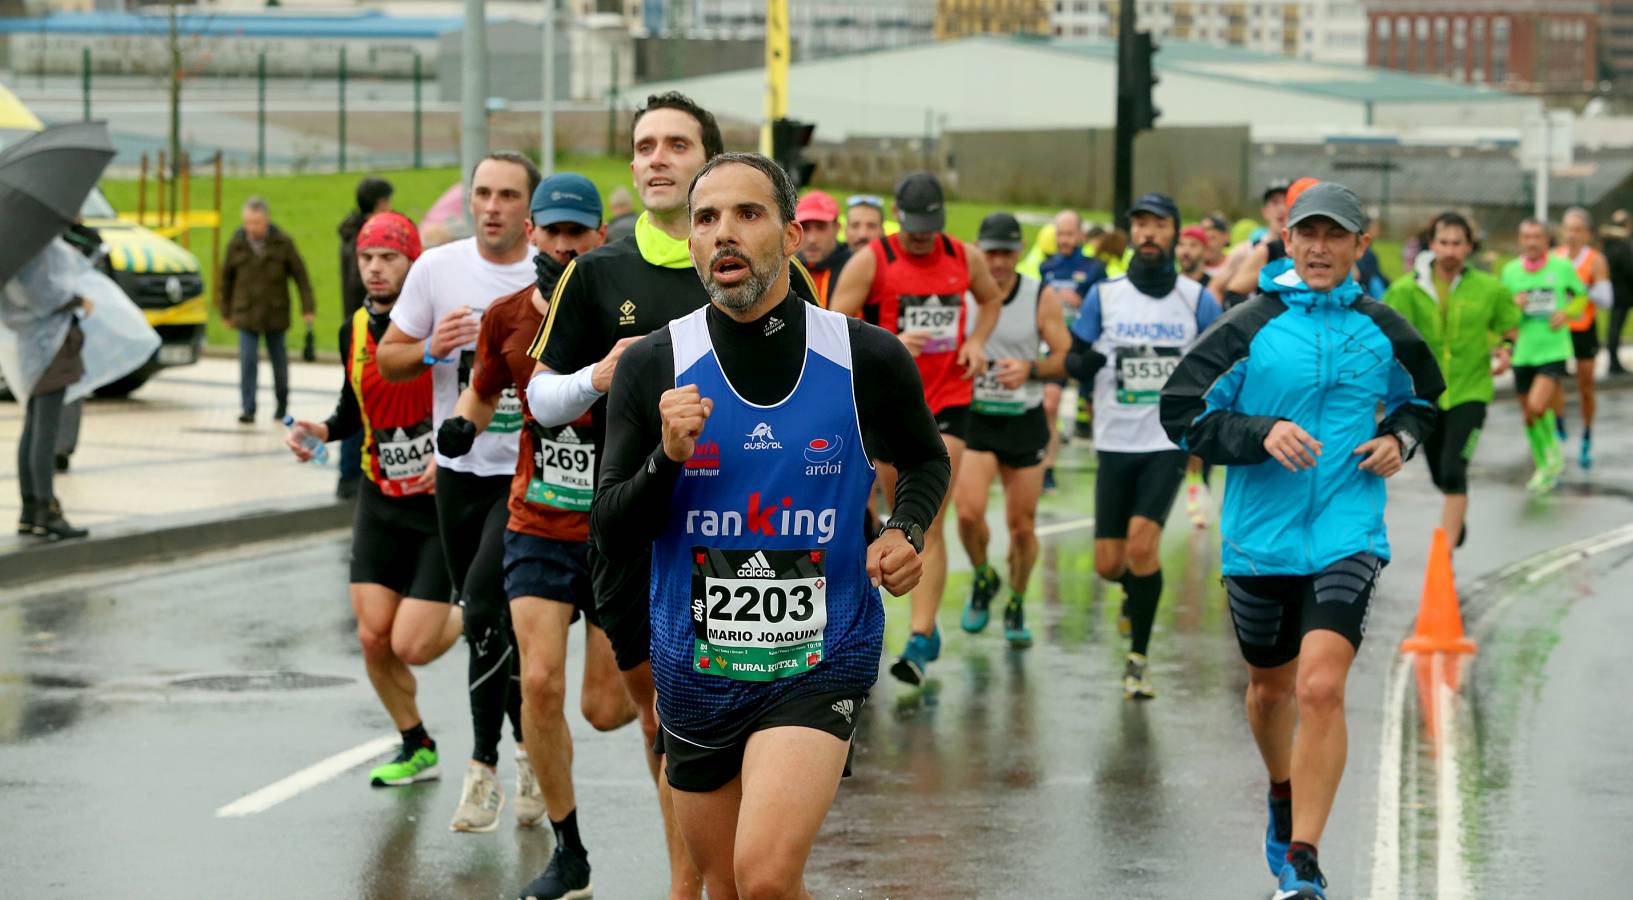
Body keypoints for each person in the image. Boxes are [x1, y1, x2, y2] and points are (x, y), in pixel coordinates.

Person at [594, 150, 950, 900]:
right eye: (706, 219)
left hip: (822, 656)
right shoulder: (653, 366)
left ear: (791, 235)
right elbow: (611, 525)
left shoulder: (865, 357)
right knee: (721, 887)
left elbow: (924, 462)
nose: (724, 233)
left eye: (747, 214)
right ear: (689, 244)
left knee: (763, 877)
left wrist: (903, 530)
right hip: (694, 669)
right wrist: (666, 456)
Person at [526, 92, 819, 899]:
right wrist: (599, 376)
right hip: (637, 528)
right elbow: (538, 399)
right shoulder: (597, 272)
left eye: (675, 144)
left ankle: (693, 887)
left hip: (747, 535)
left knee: (706, 730)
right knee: (660, 726)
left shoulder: (770, 267)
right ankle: (698, 878)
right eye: (643, 145)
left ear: (710, 165)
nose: (656, 157)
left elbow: (820, 393)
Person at [1161, 181, 1442, 900]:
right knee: (1268, 690)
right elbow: (1181, 411)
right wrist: (1260, 433)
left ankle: (1304, 857)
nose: (1318, 247)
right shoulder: (1246, 325)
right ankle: (1281, 789)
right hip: (1259, 537)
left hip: (1348, 528)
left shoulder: (1383, 327)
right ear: (1286, 241)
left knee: (1319, 687)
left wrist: (1398, 438)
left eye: (1334, 236)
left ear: (1358, 244)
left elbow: (1426, 400)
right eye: (1305, 234)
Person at [440, 172, 636, 900]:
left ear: (597, 239)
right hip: (538, 523)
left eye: (574, 234)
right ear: (533, 235)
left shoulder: (624, 317)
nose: (560, 245)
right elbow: (486, 386)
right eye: (550, 232)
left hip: (614, 530)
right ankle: (569, 851)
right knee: (542, 681)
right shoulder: (504, 317)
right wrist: (465, 419)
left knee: (604, 708)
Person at [377, 151, 542, 834]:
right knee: (488, 625)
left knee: (481, 609)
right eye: (482, 193)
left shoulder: (547, 274)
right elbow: (389, 357)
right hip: (459, 475)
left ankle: (485, 769)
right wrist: (432, 349)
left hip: (527, 476)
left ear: (528, 210)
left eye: (507, 195)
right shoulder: (437, 269)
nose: (493, 206)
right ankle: (531, 753)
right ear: (470, 201)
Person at [283, 211, 464, 787]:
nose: (376, 268)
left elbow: (481, 399)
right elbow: (352, 411)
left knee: (410, 644)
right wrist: (321, 430)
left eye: (389, 256)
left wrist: (455, 453)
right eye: (367, 258)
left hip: (436, 506)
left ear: (413, 263)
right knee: (372, 636)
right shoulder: (353, 330)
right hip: (380, 500)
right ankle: (416, 742)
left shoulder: (443, 324)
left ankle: (480, 611)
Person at [828, 170, 1003, 686]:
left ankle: (921, 635)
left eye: (932, 225)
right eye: (915, 226)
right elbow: (836, 326)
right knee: (896, 516)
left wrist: (977, 343)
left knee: (927, 517)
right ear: (897, 217)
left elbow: (989, 299)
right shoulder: (872, 261)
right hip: (893, 404)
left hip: (950, 398)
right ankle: (913, 623)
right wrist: (890, 342)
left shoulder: (963, 256)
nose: (924, 236)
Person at [1065, 193, 1222, 700]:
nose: (1148, 234)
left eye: (1158, 225)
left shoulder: (1197, 299)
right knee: (1110, 564)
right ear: (1130, 233)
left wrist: (1207, 418)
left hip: (1166, 439)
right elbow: (1076, 359)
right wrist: (1088, 358)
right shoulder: (1104, 297)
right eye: (1140, 225)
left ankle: (1139, 659)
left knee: (1141, 545)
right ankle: (1133, 593)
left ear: (1175, 233)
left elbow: (1222, 362)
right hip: (1115, 439)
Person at [955, 212, 1069, 646]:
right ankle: (984, 577)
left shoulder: (1040, 296)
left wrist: (1030, 369)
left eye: (1006, 252)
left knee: (1022, 527)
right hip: (977, 419)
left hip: (1024, 422)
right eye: (991, 252)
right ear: (978, 252)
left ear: (1018, 252)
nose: (998, 262)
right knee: (967, 515)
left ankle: (1017, 600)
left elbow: (1064, 356)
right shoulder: (963, 294)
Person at [1383, 211, 1518, 547]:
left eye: (1458, 243)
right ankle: (1457, 516)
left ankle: (1443, 556)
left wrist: (1507, 348)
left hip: (1471, 390)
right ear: (1432, 244)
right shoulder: (1406, 290)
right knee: (1440, 476)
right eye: (1444, 242)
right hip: (1428, 395)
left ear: (1469, 247)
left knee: (1454, 468)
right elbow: (1386, 336)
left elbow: (1509, 323)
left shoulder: (1489, 288)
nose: (1450, 250)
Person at [4, 238, 91, 540]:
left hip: (31, 346)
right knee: (45, 432)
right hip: (49, 346)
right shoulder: (37, 247)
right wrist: (78, 299)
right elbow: (46, 295)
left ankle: (30, 509)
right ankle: (46, 509)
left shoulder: (12, 245)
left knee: (33, 427)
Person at [1504, 219, 1587, 494]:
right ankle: (1543, 465)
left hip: (1553, 348)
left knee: (1538, 407)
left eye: (1537, 236)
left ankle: (1553, 460)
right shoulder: (1510, 272)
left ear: (1546, 240)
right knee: (1528, 415)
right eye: (1526, 237)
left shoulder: (1561, 267)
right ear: (1520, 240)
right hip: (1523, 351)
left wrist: (1567, 312)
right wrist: (1514, 307)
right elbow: (1502, 313)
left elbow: (1581, 296)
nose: (1531, 242)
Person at [218, 196, 315, 425]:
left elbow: (300, 276)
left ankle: (282, 404)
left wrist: (307, 308)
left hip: (275, 313)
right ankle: (248, 408)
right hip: (246, 313)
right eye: (248, 223)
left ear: (267, 220)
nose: (252, 228)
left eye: (257, 223)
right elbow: (225, 280)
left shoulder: (283, 243)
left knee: (279, 362)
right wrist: (226, 312)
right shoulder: (236, 244)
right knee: (247, 361)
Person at [336, 177, 396, 500]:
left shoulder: (351, 234)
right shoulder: (370, 238)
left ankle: (355, 473)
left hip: (358, 322)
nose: (375, 267)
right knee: (360, 402)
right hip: (365, 327)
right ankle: (349, 475)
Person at [1553, 207, 1613, 468]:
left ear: (1587, 233)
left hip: (1584, 328)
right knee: (1552, 379)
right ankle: (1558, 422)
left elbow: (1607, 299)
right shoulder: (1554, 257)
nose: (1571, 235)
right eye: (1567, 229)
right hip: (1558, 329)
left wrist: (1581, 289)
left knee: (1585, 386)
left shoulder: (1596, 260)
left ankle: (1587, 433)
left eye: (1577, 230)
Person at [795, 190, 850, 308]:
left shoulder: (855, 266)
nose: (812, 239)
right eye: (805, 227)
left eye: (820, 228)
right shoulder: (787, 269)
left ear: (837, 228)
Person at [1604, 209, 1633, 375]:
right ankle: (1614, 363)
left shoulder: (1608, 244)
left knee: (1613, 327)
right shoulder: (1621, 246)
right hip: (1622, 293)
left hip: (1613, 291)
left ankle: (1613, 361)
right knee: (1615, 328)